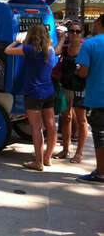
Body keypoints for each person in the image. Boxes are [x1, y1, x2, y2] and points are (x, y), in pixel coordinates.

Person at [4, 24, 57, 171]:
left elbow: (7, 51)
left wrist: (17, 40)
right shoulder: (50, 50)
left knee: (36, 128)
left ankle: (38, 162)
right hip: (48, 91)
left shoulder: (29, 50)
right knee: (51, 126)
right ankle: (47, 158)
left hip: (33, 93)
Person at [53, 21, 87, 164]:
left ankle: (79, 153)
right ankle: (66, 149)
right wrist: (62, 39)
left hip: (81, 88)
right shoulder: (65, 48)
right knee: (65, 118)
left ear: (81, 33)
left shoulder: (86, 47)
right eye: (71, 31)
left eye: (77, 31)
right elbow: (55, 52)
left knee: (81, 120)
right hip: (66, 87)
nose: (74, 34)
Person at [75, 14, 104, 185]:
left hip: (98, 98)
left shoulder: (91, 44)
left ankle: (100, 173)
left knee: (100, 136)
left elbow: (83, 72)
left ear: (100, 23)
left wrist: (78, 70)